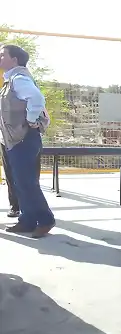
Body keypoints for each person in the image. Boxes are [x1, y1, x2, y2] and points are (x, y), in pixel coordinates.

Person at [0, 44, 55, 238]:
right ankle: (27, 220)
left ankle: (45, 220)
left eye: (2, 55)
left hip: (23, 139)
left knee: (27, 182)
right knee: (21, 182)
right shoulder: (12, 79)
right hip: (17, 140)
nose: (0, 58)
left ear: (14, 59)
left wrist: (31, 119)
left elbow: (36, 98)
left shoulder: (19, 78)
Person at [1, 142, 19, 217]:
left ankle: (32, 207)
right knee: (9, 174)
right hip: (5, 141)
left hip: (22, 140)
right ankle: (14, 206)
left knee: (28, 176)